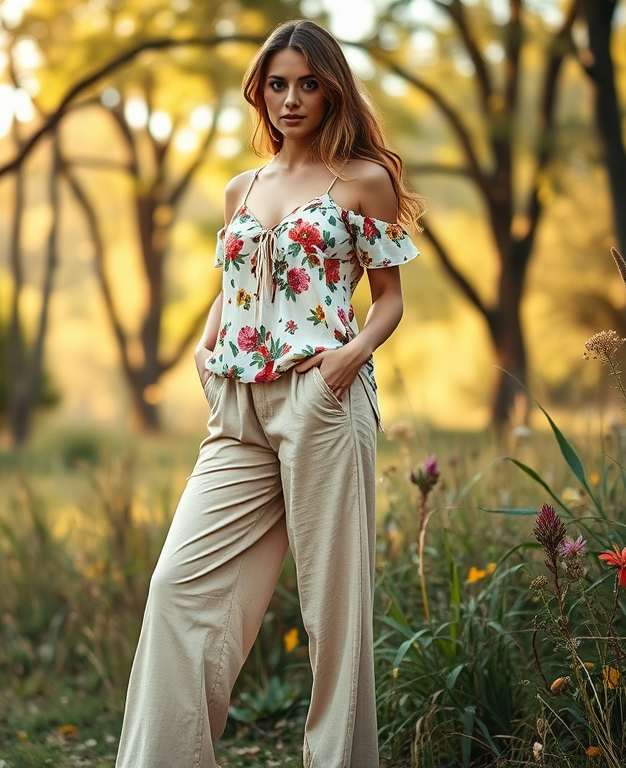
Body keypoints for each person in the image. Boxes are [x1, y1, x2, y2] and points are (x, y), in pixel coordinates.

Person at [114, 18, 424, 768]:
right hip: (238, 408)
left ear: (331, 90)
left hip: (322, 399)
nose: (292, 99)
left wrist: (348, 361)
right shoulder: (239, 188)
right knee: (177, 589)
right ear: (261, 92)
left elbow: (388, 300)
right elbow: (233, 283)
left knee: (333, 614)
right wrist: (206, 343)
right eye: (278, 84)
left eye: (308, 84)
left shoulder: (363, 180)